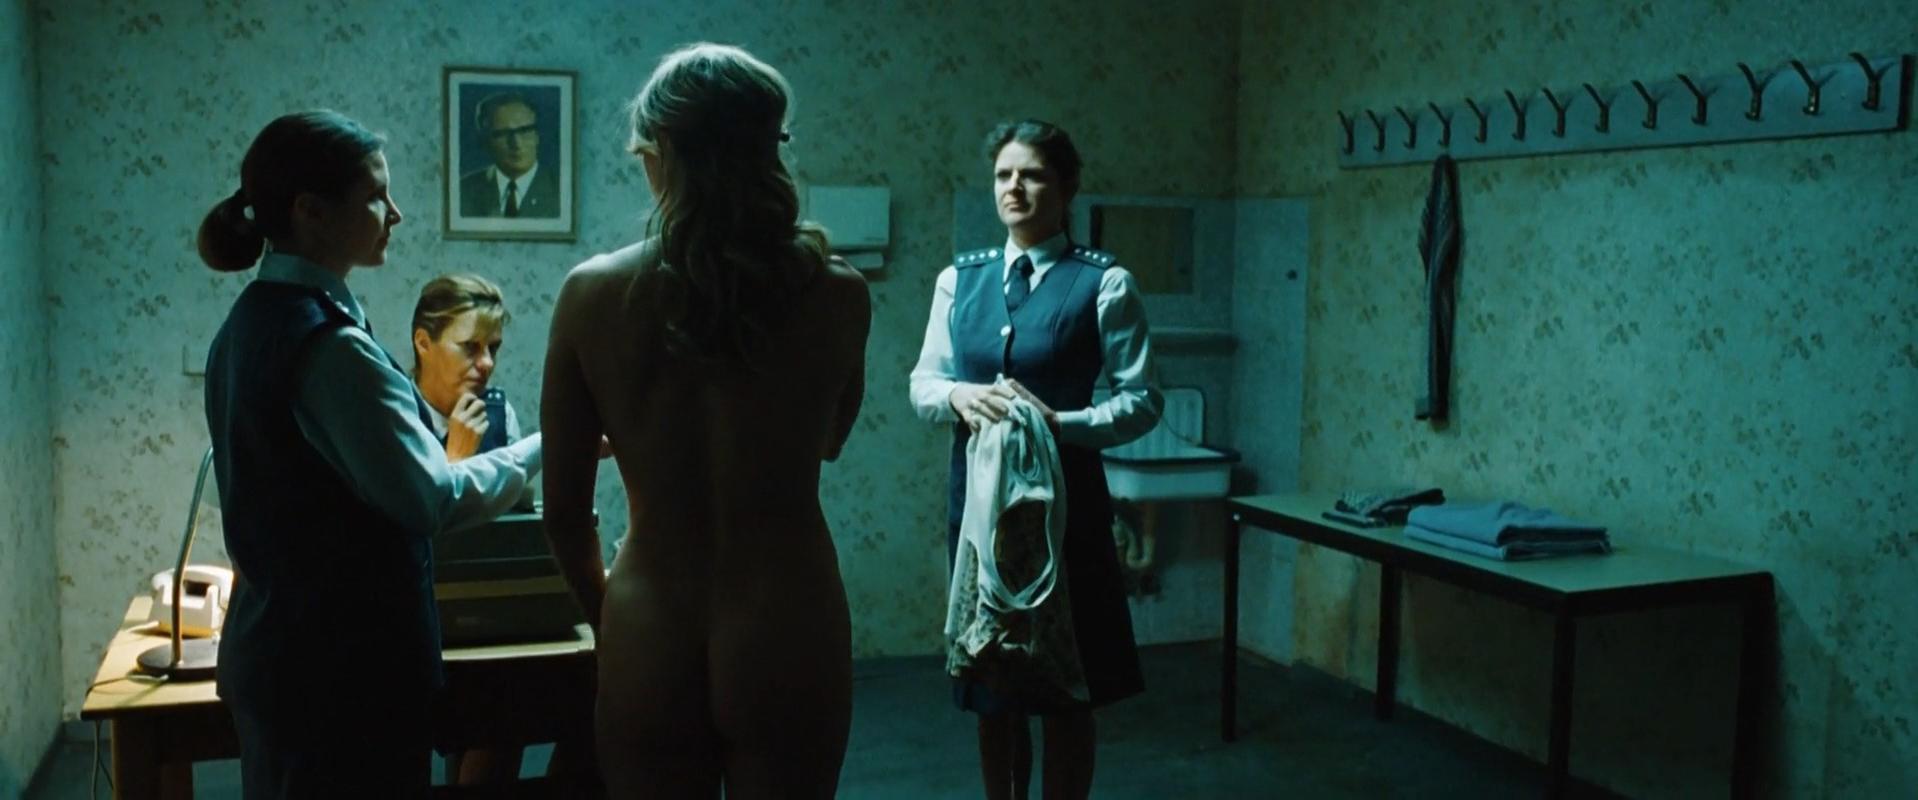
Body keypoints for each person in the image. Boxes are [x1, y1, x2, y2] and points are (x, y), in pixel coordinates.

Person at [540, 42, 869, 798]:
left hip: (649, 617)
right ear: (769, 150)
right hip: (787, 615)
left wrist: (609, 620)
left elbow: (563, 513)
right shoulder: (837, 292)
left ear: (662, 152)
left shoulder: (590, 293)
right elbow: (829, 441)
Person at [198, 110, 542, 797]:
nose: (397, 213)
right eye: (377, 196)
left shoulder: (248, 323)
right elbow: (430, 499)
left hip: (284, 661)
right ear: (312, 212)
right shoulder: (330, 347)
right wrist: (549, 442)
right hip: (342, 680)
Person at [909, 119, 1163, 800]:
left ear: (1068, 187)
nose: (1014, 188)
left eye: (1032, 175)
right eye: (1003, 175)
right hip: (980, 506)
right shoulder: (959, 280)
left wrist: (1063, 424)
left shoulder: (1103, 283)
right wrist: (960, 395)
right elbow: (923, 384)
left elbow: (1143, 401)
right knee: (993, 679)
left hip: (1066, 508)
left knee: (1067, 683)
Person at [410, 273, 523, 463]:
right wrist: (456, 458)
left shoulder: (498, 414)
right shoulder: (392, 414)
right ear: (424, 344)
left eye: (493, 348)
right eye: (470, 347)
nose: (487, 363)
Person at [458, 92, 559, 218]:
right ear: (485, 142)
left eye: (525, 131)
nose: (516, 144)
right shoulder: (462, 192)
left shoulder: (562, 191)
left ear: (537, 136)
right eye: (503, 134)